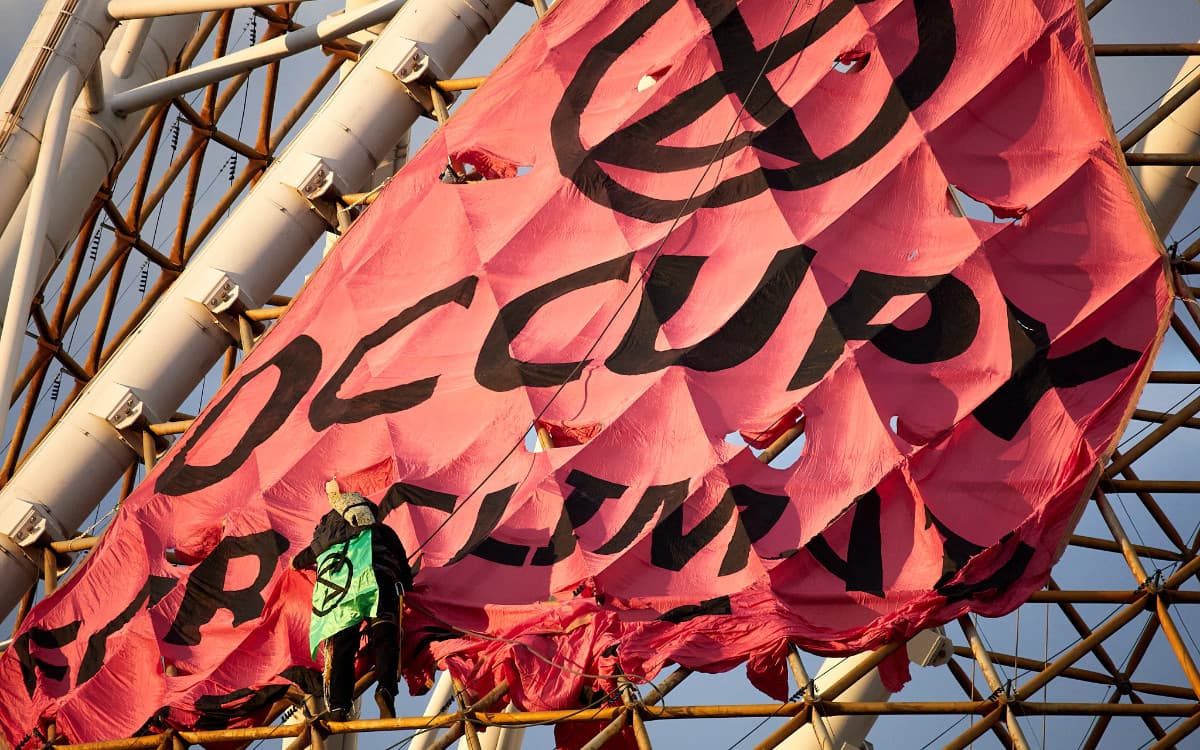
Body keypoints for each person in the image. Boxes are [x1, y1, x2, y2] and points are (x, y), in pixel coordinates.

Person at [292, 479, 413, 720]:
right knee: (385, 635)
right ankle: (385, 688)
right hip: (378, 582)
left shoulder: (324, 540)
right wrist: (405, 583)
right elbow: (404, 571)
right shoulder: (381, 531)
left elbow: (297, 562)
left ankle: (338, 706)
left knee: (343, 649)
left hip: (340, 594)